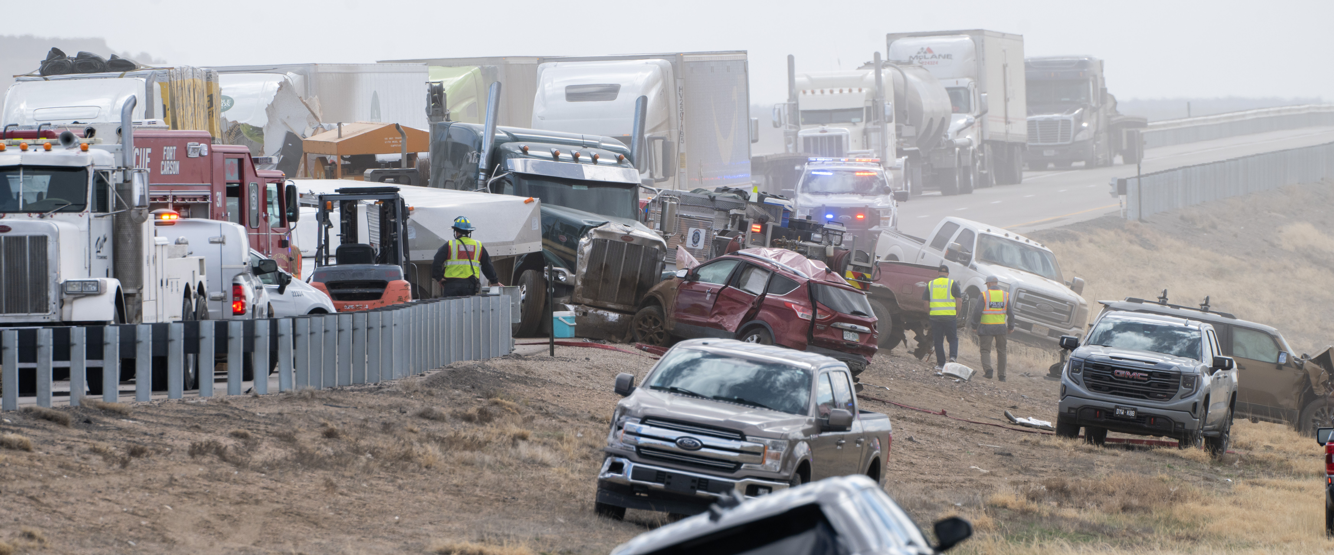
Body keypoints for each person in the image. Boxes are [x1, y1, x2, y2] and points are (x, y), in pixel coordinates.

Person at [432, 216, 502, 297]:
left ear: (456, 232)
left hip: (451, 286)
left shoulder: (449, 245)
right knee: (468, 305)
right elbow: (487, 265)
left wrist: (439, 278)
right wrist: (494, 281)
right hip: (470, 287)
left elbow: (436, 262)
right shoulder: (478, 246)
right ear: (469, 232)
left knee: (451, 305)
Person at [971, 275, 1015, 381]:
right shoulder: (1005, 295)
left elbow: (977, 311)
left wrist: (974, 325)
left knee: (985, 350)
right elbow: (1011, 313)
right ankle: (1002, 376)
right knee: (1002, 351)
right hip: (1001, 327)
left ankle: (988, 371)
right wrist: (1010, 326)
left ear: (989, 283)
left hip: (986, 327)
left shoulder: (984, 295)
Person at [922, 264, 962, 371]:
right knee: (953, 338)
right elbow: (959, 300)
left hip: (935, 317)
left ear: (938, 273)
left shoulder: (931, 284)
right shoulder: (953, 283)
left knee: (938, 340)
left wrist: (929, 313)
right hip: (950, 317)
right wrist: (957, 313)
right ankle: (953, 357)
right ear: (948, 274)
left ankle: (941, 364)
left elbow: (925, 302)